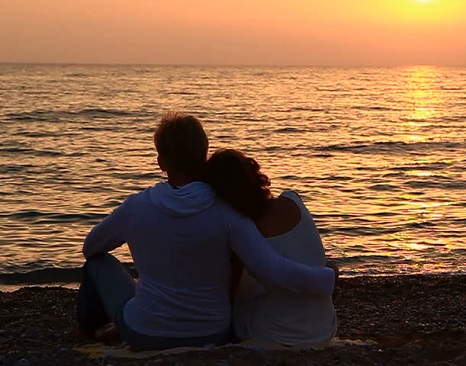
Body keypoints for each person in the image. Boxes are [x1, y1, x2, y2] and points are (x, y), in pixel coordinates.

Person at [76, 112, 336, 351]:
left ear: (161, 162)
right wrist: (328, 276)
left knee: (97, 263)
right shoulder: (227, 212)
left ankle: (90, 330)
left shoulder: (136, 207)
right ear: (204, 155)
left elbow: (91, 247)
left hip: (145, 333)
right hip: (213, 333)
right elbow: (273, 270)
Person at [204, 148, 337, 346]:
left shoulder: (244, 230)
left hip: (277, 333)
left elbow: (230, 291)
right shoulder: (293, 199)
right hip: (326, 326)